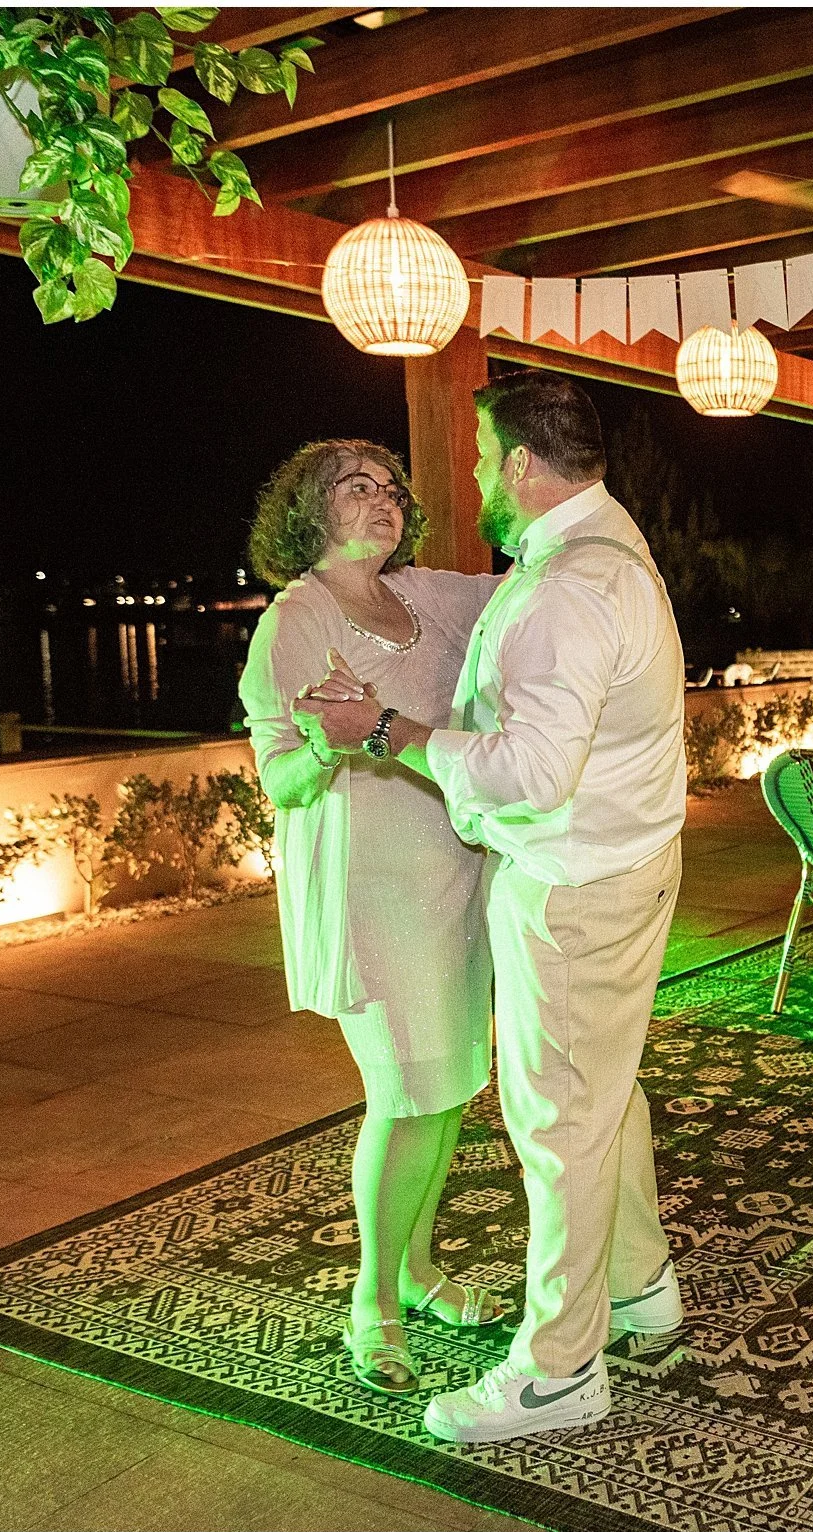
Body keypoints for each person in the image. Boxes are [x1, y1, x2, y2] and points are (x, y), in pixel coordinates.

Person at [305, 371, 686, 1442]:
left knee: (558, 1122)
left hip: (575, 888)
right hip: (625, 866)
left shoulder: (568, 588)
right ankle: (638, 1282)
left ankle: (560, 1369)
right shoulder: (606, 554)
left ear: (520, 463)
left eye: (480, 455)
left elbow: (526, 774)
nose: (472, 473)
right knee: (604, 1091)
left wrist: (389, 734)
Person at [239, 440, 509, 1398]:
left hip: (454, 871)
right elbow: (278, 775)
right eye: (357, 487)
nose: (384, 499)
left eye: (392, 487)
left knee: (449, 1087)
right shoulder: (296, 621)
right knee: (404, 1091)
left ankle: (420, 1268)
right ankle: (374, 1300)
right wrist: (322, 743)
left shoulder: (430, 596)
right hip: (371, 888)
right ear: (308, 512)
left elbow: (526, 594)